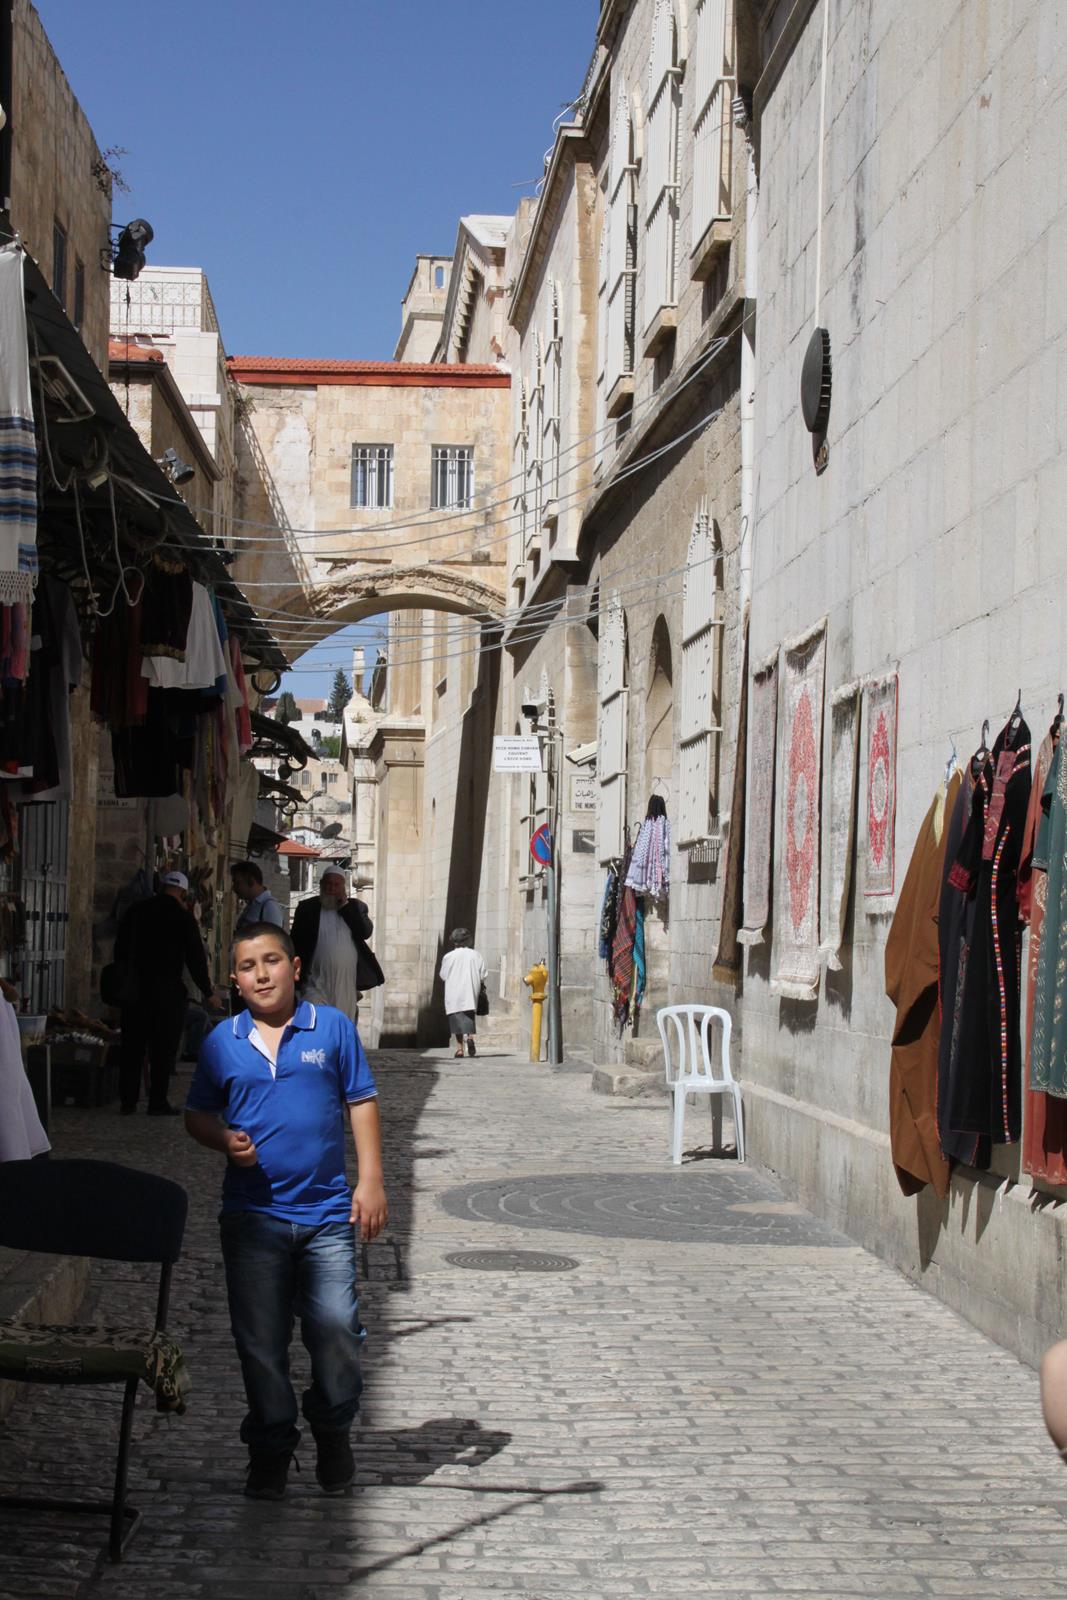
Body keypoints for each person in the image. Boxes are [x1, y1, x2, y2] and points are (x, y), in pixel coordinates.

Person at [184, 922, 387, 1501]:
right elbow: (196, 1115)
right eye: (248, 967)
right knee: (260, 1341)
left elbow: (361, 1100)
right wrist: (223, 1140)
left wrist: (371, 1180)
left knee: (337, 1328)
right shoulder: (222, 1041)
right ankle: (271, 1447)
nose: (262, 974)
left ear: (295, 968)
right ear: (235, 981)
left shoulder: (333, 1028)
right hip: (253, 1217)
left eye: (272, 961)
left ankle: (333, 1427)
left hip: (325, 1215)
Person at [114, 870, 216, 1116]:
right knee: (163, 1049)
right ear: (182, 892)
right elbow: (195, 959)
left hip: (135, 990)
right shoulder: (183, 918)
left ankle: (128, 1101)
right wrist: (208, 991)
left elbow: (120, 949)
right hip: (167, 992)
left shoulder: (136, 911)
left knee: (132, 1047)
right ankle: (157, 1101)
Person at [291, 868, 383, 1021]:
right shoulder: (307, 908)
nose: (331, 889)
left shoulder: (356, 907)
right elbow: (295, 942)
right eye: (328, 884)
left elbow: (365, 932)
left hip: (345, 983)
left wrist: (345, 906)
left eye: (336, 885)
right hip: (314, 981)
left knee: (342, 1022)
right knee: (317, 1020)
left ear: (343, 887)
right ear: (321, 884)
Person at [439, 927, 487, 1058]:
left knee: (456, 1019)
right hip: (470, 990)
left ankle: (460, 1049)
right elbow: (483, 974)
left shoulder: (448, 956)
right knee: (469, 1015)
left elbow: (443, 975)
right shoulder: (475, 955)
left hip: (454, 991)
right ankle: (470, 1037)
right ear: (467, 941)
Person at [231, 861, 284, 930]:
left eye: (237, 883)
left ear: (251, 881)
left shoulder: (269, 906)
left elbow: (273, 936)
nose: (234, 888)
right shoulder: (252, 904)